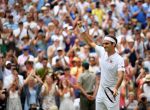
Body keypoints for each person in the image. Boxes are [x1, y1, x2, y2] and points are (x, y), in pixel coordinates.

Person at [78, 23, 125, 110]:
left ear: (113, 44)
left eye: (106, 44)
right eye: (103, 44)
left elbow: (121, 76)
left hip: (112, 93)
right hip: (101, 92)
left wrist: (116, 88)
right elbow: (89, 41)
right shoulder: (102, 51)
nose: (104, 45)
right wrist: (81, 28)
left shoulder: (119, 59)